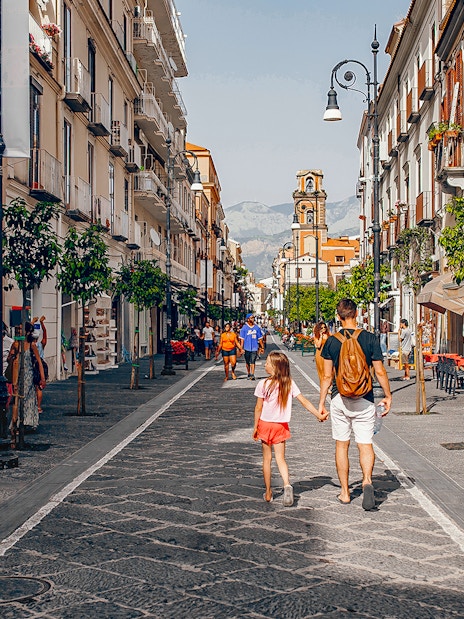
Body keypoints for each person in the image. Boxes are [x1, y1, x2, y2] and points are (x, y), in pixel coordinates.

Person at [318, 299, 392, 510]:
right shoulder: (369, 338)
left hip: (340, 398)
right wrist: (387, 395)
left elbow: (326, 376)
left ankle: (344, 492)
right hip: (365, 398)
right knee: (365, 443)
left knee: (342, 444)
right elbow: (379, 371)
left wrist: (322, 403)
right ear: (357, 313)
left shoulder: (331, 341)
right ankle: (367, 480)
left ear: (338, 316)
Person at [252, 351, 329, 504]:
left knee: (267, 459)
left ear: (275, 367)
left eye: (267, 363)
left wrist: (255, 426)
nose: (265, 365)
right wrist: (318, 415)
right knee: (281, 459)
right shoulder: (289, 383)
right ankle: (287, 484)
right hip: (281, 425)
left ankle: (268, 492)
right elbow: (304, 401)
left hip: (265, 424)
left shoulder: (263, 384)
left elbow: (258, 408)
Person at [8, 321, 46, 436]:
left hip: (28, 374)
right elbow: (9, 359)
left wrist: (42, 377)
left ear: (28, 331)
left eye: (21, 329)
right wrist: (12, 355)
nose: (19, 331)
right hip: (17, 375)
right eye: (18, 329)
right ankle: (18, 421)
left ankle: (28, 421)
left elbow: (39, 361)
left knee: (28, 397)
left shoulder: (32, 345)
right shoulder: (15, 344)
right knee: (18, 398)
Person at [239, 313, 264, 380]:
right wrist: (241, 348)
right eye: (251, 318)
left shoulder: (257, 328)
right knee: (247, 362)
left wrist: (262, 347)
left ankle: (252, 374)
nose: (253, 319)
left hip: (254, 347)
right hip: (246, 347)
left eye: (253, 317)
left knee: (253, 361)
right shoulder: (244, 328)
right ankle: (249, 373)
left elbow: (260, 338)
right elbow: (242, 340)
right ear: (248, 319)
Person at [32, 316, 47, 413]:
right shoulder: (41, 344)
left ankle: (33, 406)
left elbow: (26, 333)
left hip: (33, 366)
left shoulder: (29, 345)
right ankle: (38, 406)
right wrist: (42, 324)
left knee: (32, 387)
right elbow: (45, 335)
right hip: (40, 365)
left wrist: (32, 322)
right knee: (39, 388)